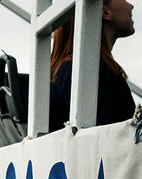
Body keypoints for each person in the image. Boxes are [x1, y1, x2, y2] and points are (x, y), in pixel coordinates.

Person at [48, 0, 136, 132]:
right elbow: (103, 139)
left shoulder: (70, 69)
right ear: (105, 12)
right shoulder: (85, 71)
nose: (131, 6)